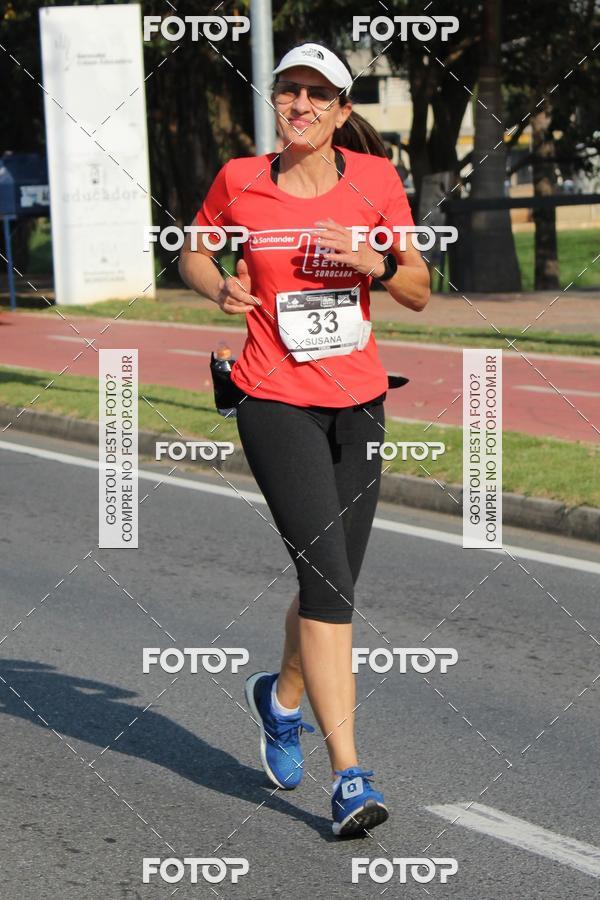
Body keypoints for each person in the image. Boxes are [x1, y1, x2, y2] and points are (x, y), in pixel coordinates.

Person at [179, 42, 430, 837]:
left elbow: (421, 290)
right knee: (328, 585)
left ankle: (279, 697)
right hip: (272, 397)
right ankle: (349, 776)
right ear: (276, 103)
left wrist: (375, 262)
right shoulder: (239, 179)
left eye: (319, 94)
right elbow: (191, 247)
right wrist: (219, 284)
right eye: (289, 91)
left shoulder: (377, 182)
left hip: (358, 402)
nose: (301, 105)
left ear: (343, 112)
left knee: (334, 582)